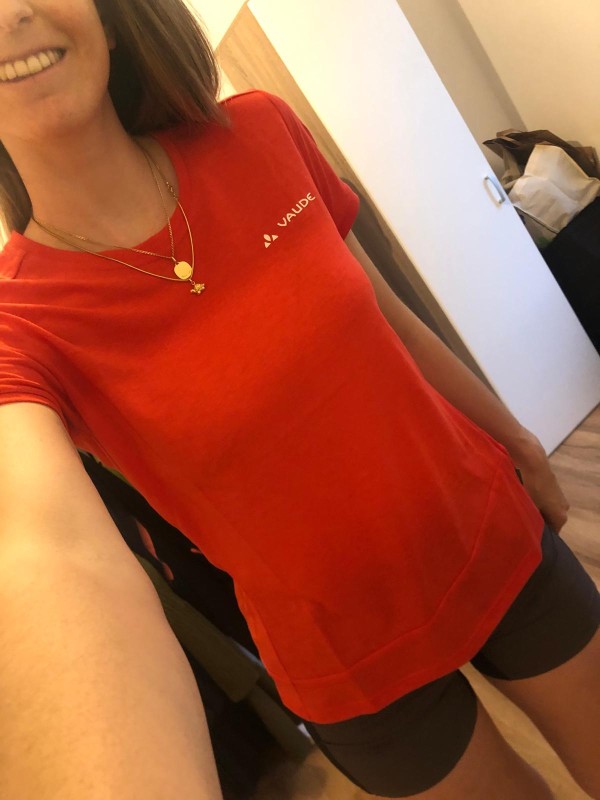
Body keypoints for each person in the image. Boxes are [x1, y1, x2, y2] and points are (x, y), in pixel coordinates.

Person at [0, 2, 598, 799]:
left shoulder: (260, 131)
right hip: (347, 664)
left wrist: (519, 441)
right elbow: (44, 551)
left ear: (110, 17)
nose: (12, 13)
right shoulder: (20, 327)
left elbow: (391, 319)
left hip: (487, 531)